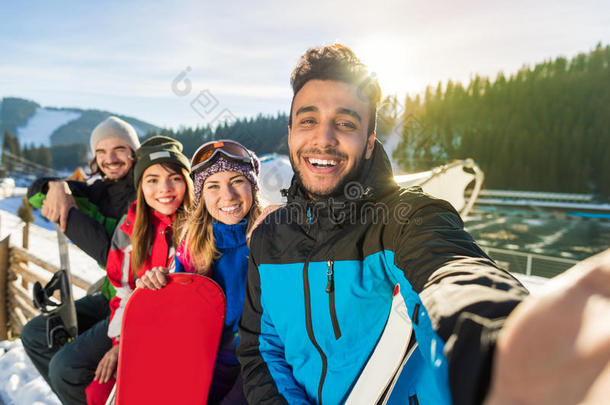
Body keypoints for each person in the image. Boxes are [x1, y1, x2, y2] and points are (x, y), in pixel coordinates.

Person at [237, 44, 610, 405]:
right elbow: (259, 348)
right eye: (308, 120)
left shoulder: (406, 218)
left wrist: (508, 350)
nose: (324, 137)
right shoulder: (268, 240)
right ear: (290, 134)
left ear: (368, 143)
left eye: (345, 123)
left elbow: (453, 274)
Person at [21, 116, 140, 405]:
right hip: (110, 295)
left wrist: (69, 217)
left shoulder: (147, 191)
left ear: (134, 152)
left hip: (134, 300)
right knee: (35, 333)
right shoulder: (99, 191)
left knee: (66, 367)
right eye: (101, 152)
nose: (109, 159)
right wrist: (57, 187)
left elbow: (110, 255)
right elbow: (35, 197)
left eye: (119, 149)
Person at [136, 139, 262, 404]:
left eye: (237, 181)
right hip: (207, 363)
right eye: (213, 186)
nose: (227, 196)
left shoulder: (271, 238)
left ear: (253, 185)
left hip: (260, 364)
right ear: (202, 196)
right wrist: (157, 285)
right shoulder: (193, 247)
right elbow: (177, 315)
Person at [85, 135, 193, 405]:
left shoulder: (198, 226)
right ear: (141, 187)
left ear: (187, 182)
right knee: (98, 392)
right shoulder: (130, 230)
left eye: (174, 178)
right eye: (152, 180)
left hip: (183, 338)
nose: (164, 189)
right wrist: (121, 343)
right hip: (139, 331)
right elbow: (123, 292)